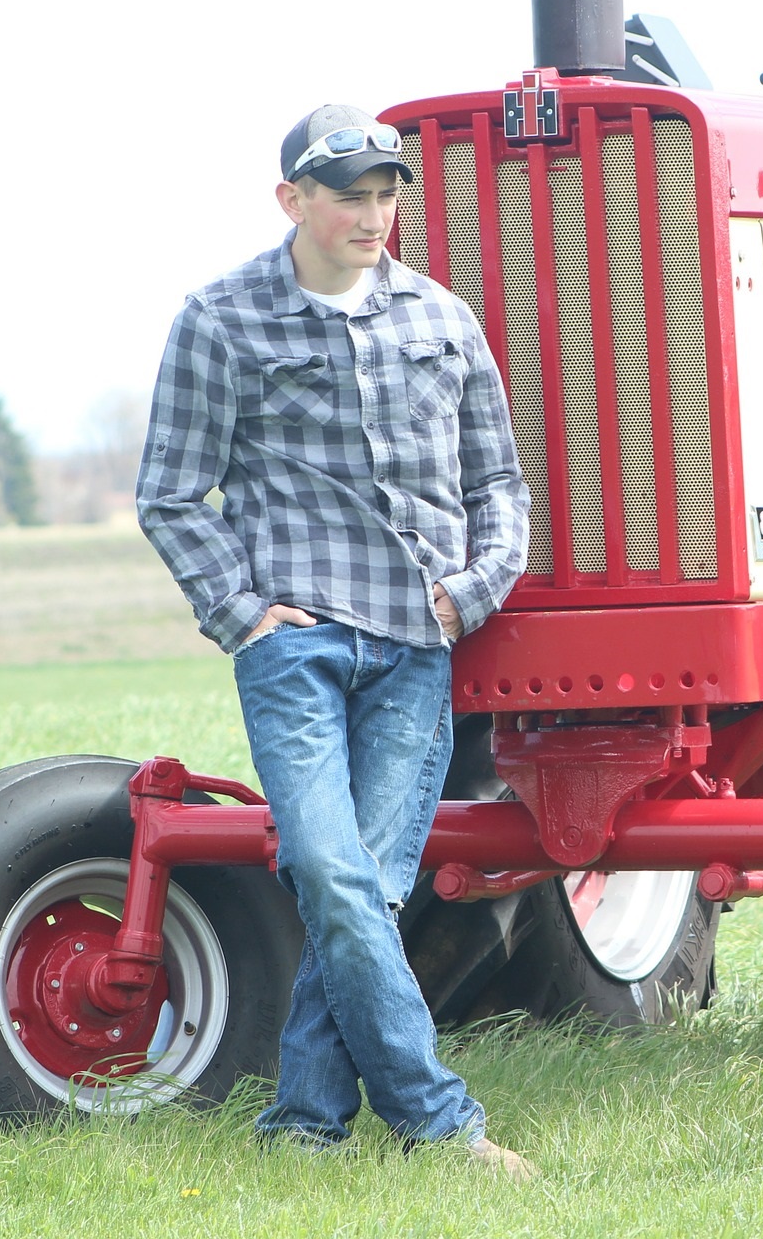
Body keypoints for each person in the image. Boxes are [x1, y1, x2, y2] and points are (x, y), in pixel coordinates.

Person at [137, 103, 533, 1178]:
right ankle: (441, 1124)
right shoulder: (221, 321)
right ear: (292, 201)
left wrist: (471, 591)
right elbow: (172, 493)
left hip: (416, 645)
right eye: (349, 195)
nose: (372, 214)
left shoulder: (442, 321)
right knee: (329, 864)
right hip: (295, 650)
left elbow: (498, 483)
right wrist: (243, 614)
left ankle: (304, 1123)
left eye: (385, 193)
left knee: (362, 888)